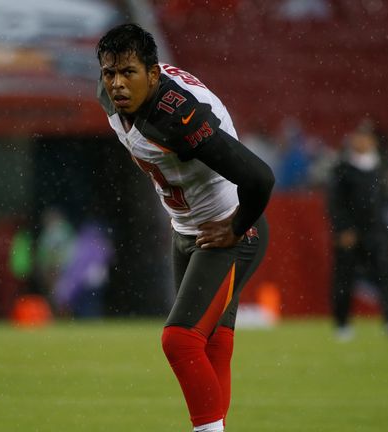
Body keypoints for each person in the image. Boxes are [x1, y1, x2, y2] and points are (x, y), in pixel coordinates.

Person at [95, 24, 274, 432]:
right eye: (110, 73)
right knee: (212, 344)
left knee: (180, 340)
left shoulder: (177, 116)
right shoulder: (110, 92)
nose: (117, 84)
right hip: (187, 227)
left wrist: (237, 227)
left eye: (128, 73)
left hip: (228, 230)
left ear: (153, 75)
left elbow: (259, 178)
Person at [327, 125, 388, 340]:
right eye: (358, 137)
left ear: (373, 141)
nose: (360, 141)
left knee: (385, 272)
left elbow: (382, 201)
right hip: (351, 232)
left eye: (365, 137)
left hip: (375, 231)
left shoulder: (379, 167)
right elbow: (335, 203)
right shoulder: (343, 168)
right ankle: (342, 323)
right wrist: (343, 228)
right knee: (345, 277)